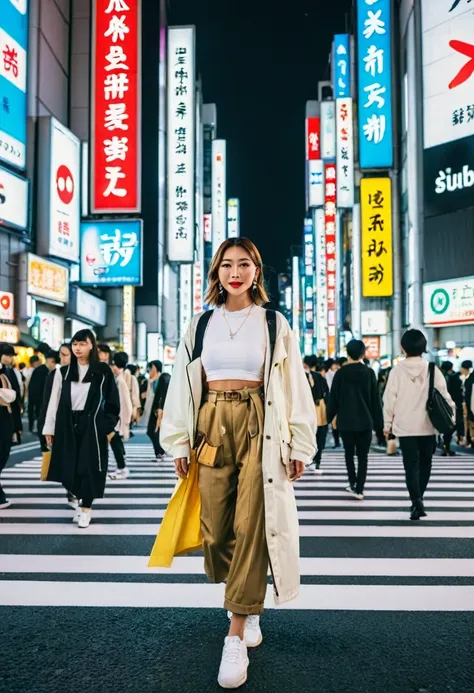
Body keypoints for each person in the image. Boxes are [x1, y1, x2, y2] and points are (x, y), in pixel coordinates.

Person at [160, 237, 316, 689]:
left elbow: (292, 385)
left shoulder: (273, 322)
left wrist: (300, 444)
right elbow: (180, 384)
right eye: (227, 264)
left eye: (243, 264)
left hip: (257, 423)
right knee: (216, 528)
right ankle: (245, 600)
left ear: (256, 271)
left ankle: (236, 626)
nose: (235, 272)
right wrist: (179, 442)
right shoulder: (201, 323)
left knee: (253, 523)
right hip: (211, 422)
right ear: (216, 272)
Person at [43, 329, 120, 529]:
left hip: (92, 424)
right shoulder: (63, 372)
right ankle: (79, 501)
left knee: (89, 467)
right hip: (67, 423)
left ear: (91, 345)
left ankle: (86, 508)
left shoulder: (103, 371)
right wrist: (49, 429)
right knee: (69, 468)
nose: (77, 348)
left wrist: (105, 426)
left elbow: (113, 402)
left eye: (82, 344)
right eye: (74, 344)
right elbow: (54, 401)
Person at [383, 329, 455, 521]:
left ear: (403, 347)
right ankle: (419, 498)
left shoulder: (397, 371)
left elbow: (389, 400)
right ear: (423, 347)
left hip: (405, 428)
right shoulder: (432, 369)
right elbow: (445, 398)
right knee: (425, 465)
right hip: (428, 426)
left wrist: (387, 425)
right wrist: (452, 419)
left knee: (410, 466)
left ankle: (416, 500)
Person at [327, 340, 383, 500]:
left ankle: (352, 483)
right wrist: (379, 424)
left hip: (346, 420)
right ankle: (360, 488)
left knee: (349, 454)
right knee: (363, 456)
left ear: (348, 353)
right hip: (365, 421)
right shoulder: (369, 373)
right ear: (363, 354)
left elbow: (334, 398)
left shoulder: (341, 373)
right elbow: (375, 400)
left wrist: (330, 416)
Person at [109, 351, 133, 480]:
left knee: (115, 444)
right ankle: (121, 468)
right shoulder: (119, 378)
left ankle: (122, 468)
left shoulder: (120, 381)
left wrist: (124, 422)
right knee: (116, 444)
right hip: (117, 420)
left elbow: (126, 404)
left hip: (118, 421)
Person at [306, 355, 329, 474]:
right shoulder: (320, 377)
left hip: (308, 410)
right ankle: (317, 460)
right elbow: (327, 394)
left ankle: (310, 459)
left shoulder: (302, 376)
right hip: (321, 410)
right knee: (320, 436)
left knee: (309, 436)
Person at [0, 363, 18, 509]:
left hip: (5, 419)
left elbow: (11, 398)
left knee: (4, 453)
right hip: (4, 418)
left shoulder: (5, 374)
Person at [145, 360, 169, 459]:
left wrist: (160, 408)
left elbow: (162, 394)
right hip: (154, 409)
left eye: (151, 368)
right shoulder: (154, 380)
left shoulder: (163, 378)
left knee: (153, 430)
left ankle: (160, 451)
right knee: (153, 430)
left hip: (158, 409)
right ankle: (160, 451)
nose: (150, 371)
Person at [0, 344, 22, 445]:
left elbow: (16, 394)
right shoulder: (6, 371)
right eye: (8, 355)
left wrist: (18, 425)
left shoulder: (9, 370)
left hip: (8, 413)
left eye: (12, 355)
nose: (11, 358)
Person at [27, 354, 50, 433]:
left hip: (37, 396)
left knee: (36, 413)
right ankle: (34, 427)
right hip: (38, 396)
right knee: (37, 413)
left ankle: (34, 427)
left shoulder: (40, 369)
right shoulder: (40, 369)